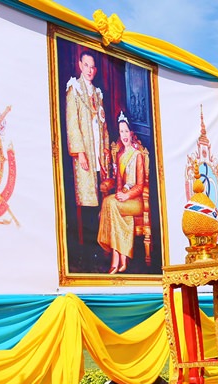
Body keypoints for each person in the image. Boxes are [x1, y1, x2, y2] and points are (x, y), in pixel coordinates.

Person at [65, 49, 111, 241]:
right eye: (86, 66)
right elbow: (72, 123)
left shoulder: (98, 94)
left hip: (99, 153)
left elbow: (104, 125)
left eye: (93, 67)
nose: (90, 70)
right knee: (87, 200)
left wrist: (107, 149)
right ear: (80, 65)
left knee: (102, 198)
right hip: (85, 153)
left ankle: (103, 245)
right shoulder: (74, 89)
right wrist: (80, 153)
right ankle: (90, 247)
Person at [97, 111, 145, 274]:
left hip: (136, 201)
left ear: (131, 133)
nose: (124, 135)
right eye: (121, 131)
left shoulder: (137, 156)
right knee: (111, 203)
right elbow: (118, 184)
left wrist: (126, 195)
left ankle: (116, 259)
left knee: (109, 203)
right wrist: (119, 193)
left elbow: (140, 186)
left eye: (126, 131)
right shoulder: (120, 156)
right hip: (123, 201)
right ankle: (120, 259)